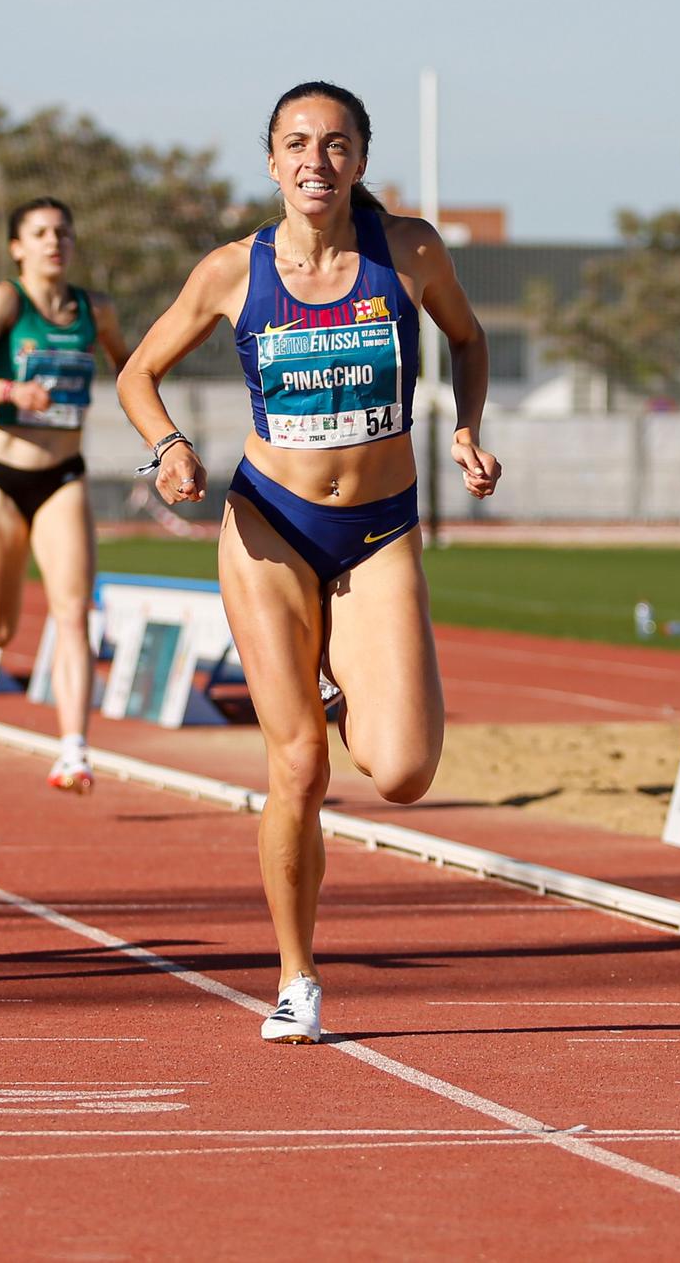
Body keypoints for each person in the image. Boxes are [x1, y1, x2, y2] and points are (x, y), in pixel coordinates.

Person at [116, 81, 502, 1043]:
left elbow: (468, 335)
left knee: (404, 770)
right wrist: (165, 447)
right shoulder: (232, 272)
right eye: (297, 144)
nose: (315, 162)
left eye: (335, 145)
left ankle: (336, 678)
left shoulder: (409, 251)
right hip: (269, 525)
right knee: (298, 770)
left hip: (378, 529)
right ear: (273, 160)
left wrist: (468, 428)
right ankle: (297, 977)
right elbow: (137, 372)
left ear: (362, 159)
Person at [0, 198, 131, 792]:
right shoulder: (6, 301)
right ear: (17, 248)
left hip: (62, 477)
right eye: (41, 233)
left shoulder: (94, 309)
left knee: (72, 612)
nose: (55, 242)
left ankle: (74, 751)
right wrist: (9, 389)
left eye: (63, 233)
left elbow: (133, 371)